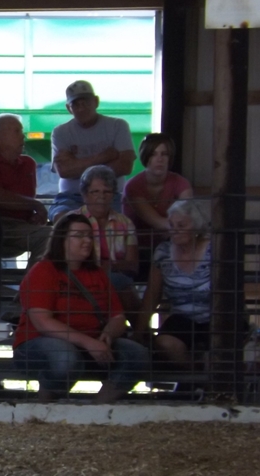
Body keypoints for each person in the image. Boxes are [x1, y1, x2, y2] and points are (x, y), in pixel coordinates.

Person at [12, 212, 149, 403]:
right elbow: (43, 322)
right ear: (62, 240)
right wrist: (89, 343)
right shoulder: (43, 271)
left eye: (90, 236)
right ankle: (44, 406)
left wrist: (108, 334)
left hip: (90, 343)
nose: (87, 241)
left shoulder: (97, 273)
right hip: (40, 343)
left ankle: (97, 408)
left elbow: (118, 317)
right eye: (79, 236)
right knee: (65, 357)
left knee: (136, 354)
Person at [134, 199, 212, 369]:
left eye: (181, 225)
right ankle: (196, 373)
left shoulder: (213, 249)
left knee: (222, 348)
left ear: (196, 227)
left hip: (216, 316)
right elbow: (152, 295)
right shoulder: (163, 252)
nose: (174, 230)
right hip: (182, 318)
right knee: (164, 344)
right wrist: (138, 332)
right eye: (171, 225)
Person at [49, 80, 135, 220]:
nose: (81, 108)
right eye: (76, 104)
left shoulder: (118, 126)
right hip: (71, 197)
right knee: (62, 218)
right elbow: (65, 171)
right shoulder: (60, 132)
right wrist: (103, 157)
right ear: (69, 108)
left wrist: (77, 164)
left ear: (96, 101)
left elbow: (125, 166)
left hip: (110, 196)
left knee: (121, 221)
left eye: (86, 103)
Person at [0, 113, 50, 262]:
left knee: (54, 235)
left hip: (21, 227)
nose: (23, 136)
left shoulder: (28, 164)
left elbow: (25, 199)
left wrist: (35, 217)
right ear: (0, 137)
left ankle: (34, 276)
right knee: (49, 235)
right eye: (17, 131)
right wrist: (35, 205)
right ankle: (36, 277)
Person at [121, 133, 193, 274]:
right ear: (145, 157)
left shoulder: (181, 183)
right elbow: (157, 222)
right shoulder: (133, 186)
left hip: (169, 246)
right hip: (136, 250)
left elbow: (186, 219)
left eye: (164, 154)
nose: (159, 159)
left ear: (170, 157)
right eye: (153, 154)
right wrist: (178, 227)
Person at [77, 165, 140, 318]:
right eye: (95, 192)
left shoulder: (125, 223)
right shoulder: (72, 221)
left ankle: (136, 329)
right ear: (85, 195)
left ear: (113, 195)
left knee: (118, 282)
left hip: (115, 279)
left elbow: (133, 265)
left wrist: (110, 266)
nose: (102, 196)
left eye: (107, 192)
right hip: (79, 276)